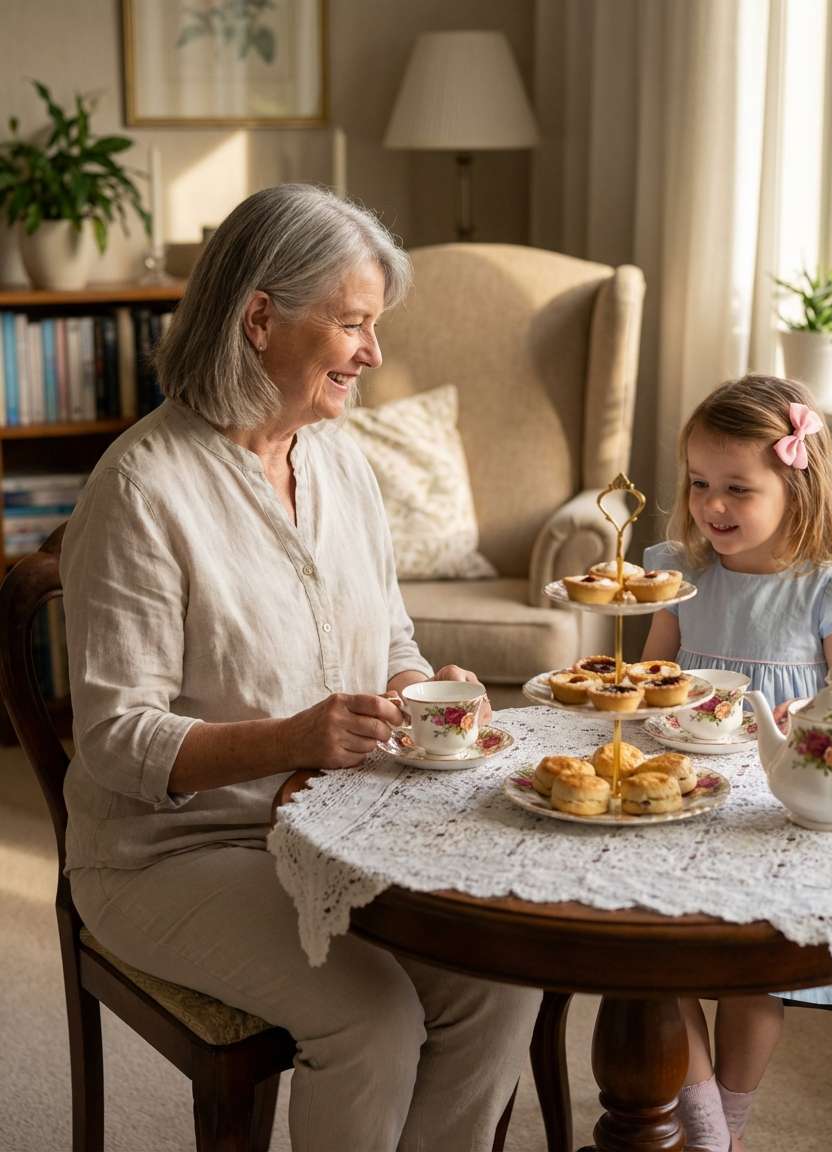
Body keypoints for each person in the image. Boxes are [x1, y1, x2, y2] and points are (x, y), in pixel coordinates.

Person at [60, 184, 540, 1152]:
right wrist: (292, 739)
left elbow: (392, 640)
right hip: (170, 856)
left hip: (332, 831)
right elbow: (115, 741)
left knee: (499, 978)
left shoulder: (340, 463)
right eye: (353, 323)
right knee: (373, 1019)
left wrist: (420, 691)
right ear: (260, 319)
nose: (371, 351)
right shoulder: (141, 489)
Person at [639, 374, 832, 1152]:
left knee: (749, 975)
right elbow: (652, 685)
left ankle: (720, 1128)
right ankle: (703, 1130)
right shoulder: (682, 575)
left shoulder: (827, 589)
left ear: (796, 489)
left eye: (738, 488)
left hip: (774, 809)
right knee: (646, 962)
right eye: (700, 484)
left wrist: (815, 710)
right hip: (682, 793)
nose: (712, 506)